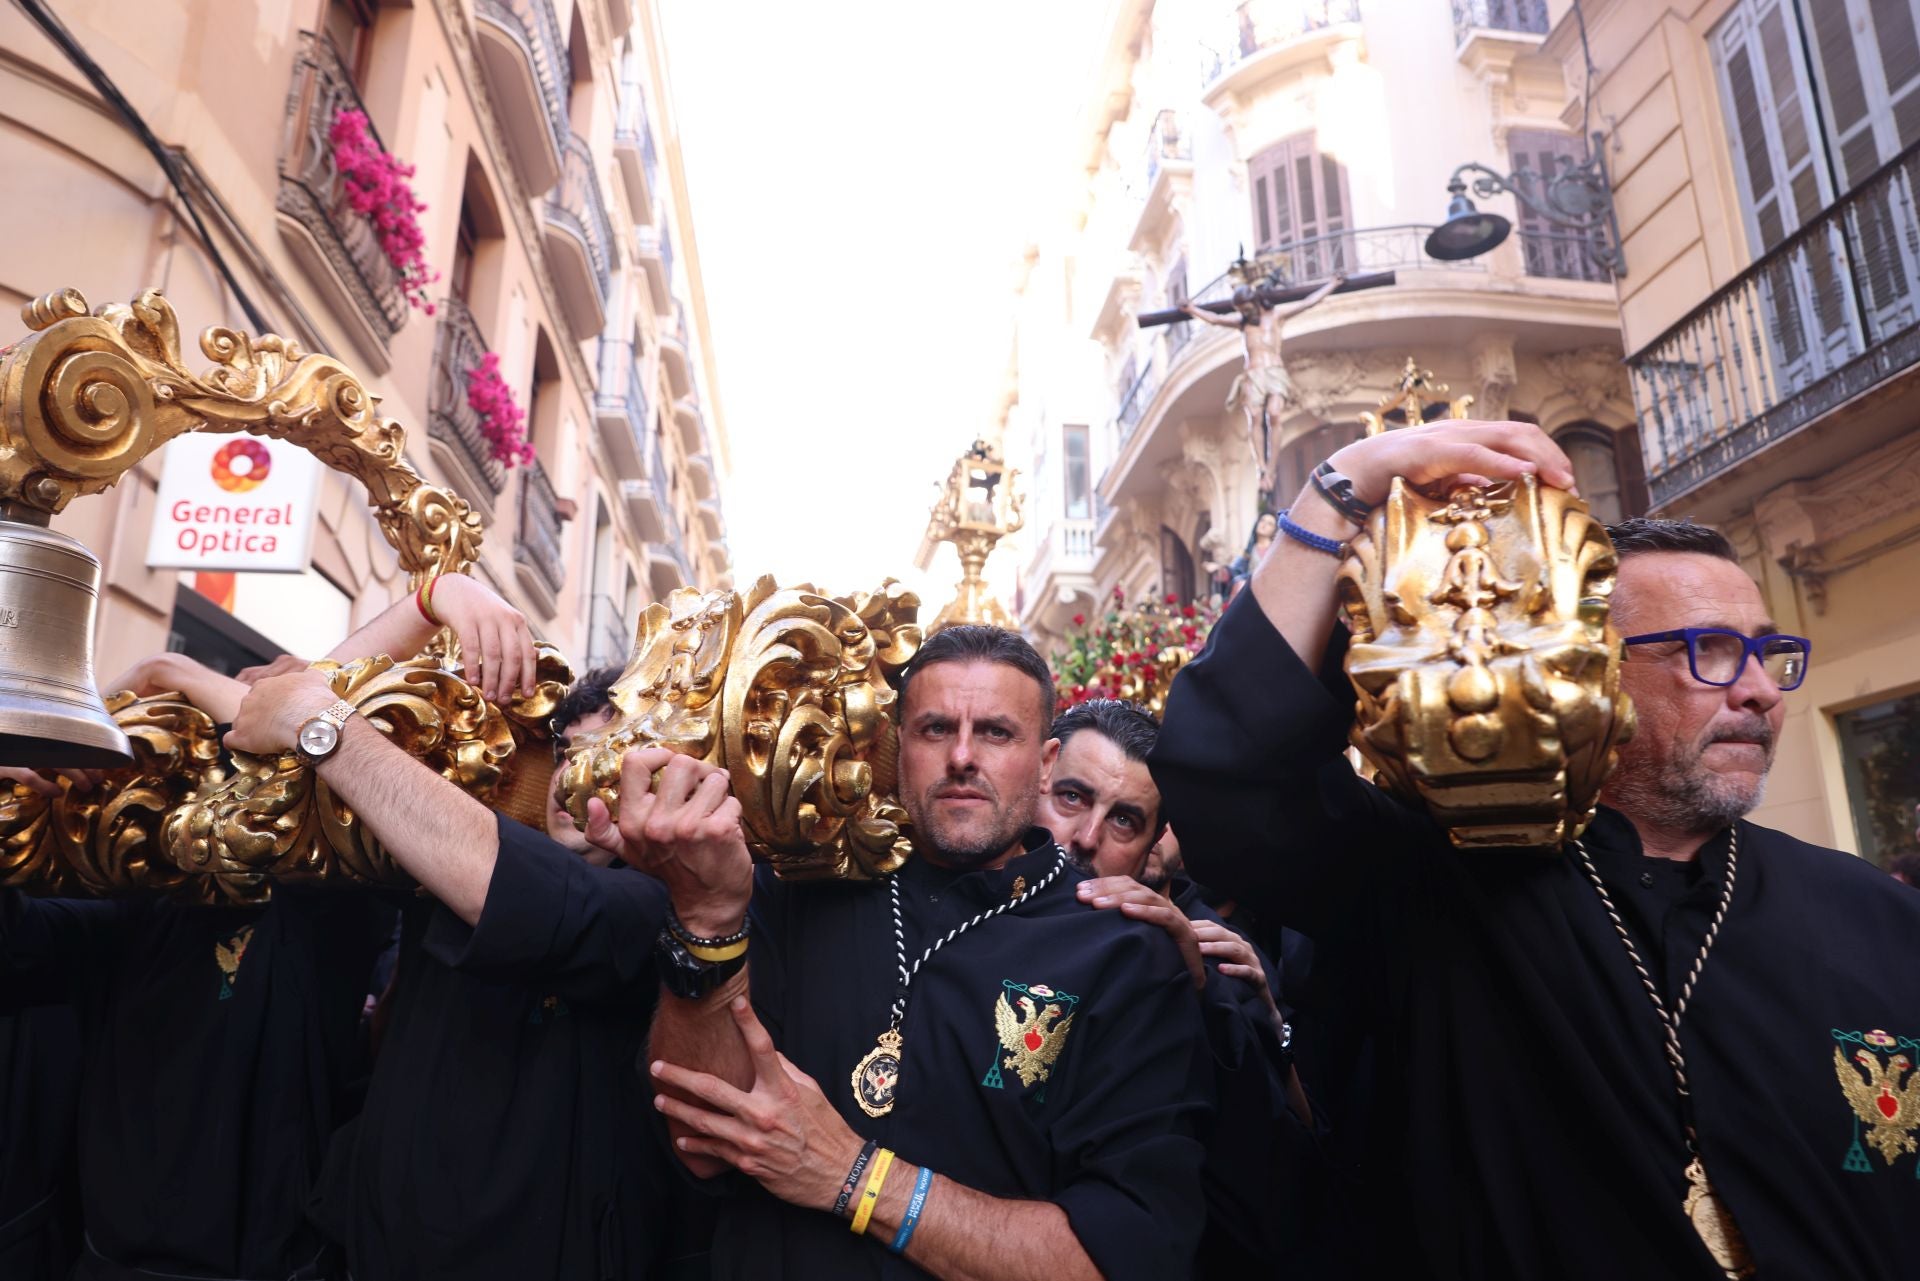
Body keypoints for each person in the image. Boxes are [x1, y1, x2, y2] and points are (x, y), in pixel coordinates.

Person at [1151, 418, 1920, 1281]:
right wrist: (1347, 483)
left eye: (1769, 655)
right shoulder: (1435, 883)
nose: (1755, 692)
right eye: (1709, 650)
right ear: (1585, 671)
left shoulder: (1882, 918)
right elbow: (1228, 777)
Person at [602, 625, 1212, 1280]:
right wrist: (706, 917)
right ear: (896, 747)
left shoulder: (1123, 954)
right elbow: (700, 1143)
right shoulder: (799, 892)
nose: (962, 756)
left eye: (997, 732)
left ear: (1045, 760)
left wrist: (853, 1175)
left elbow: (1121, 1257)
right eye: (935, 727)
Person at [234, 642, 683, 1280]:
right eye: (567, 754)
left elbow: (508, 883)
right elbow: (278, 717)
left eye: (610, 755)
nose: (576, 778)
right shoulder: (443, 855)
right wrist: (436, 597)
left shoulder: (659, 907)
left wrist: (321, 721)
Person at [0, 649, 395, 1281]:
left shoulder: (325, 910)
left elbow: (340, 760)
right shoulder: (134, 913)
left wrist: (170, 672)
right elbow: (15, 940)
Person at [1036, 697, 1315, 1276]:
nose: (1086, 838)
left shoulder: (1210, 959)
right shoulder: (944, 906)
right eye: (1072, 797)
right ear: (1038, 775)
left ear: (1151, 843)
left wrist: (1226, 1008)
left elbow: (1284, 1190)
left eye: (1123, 819)